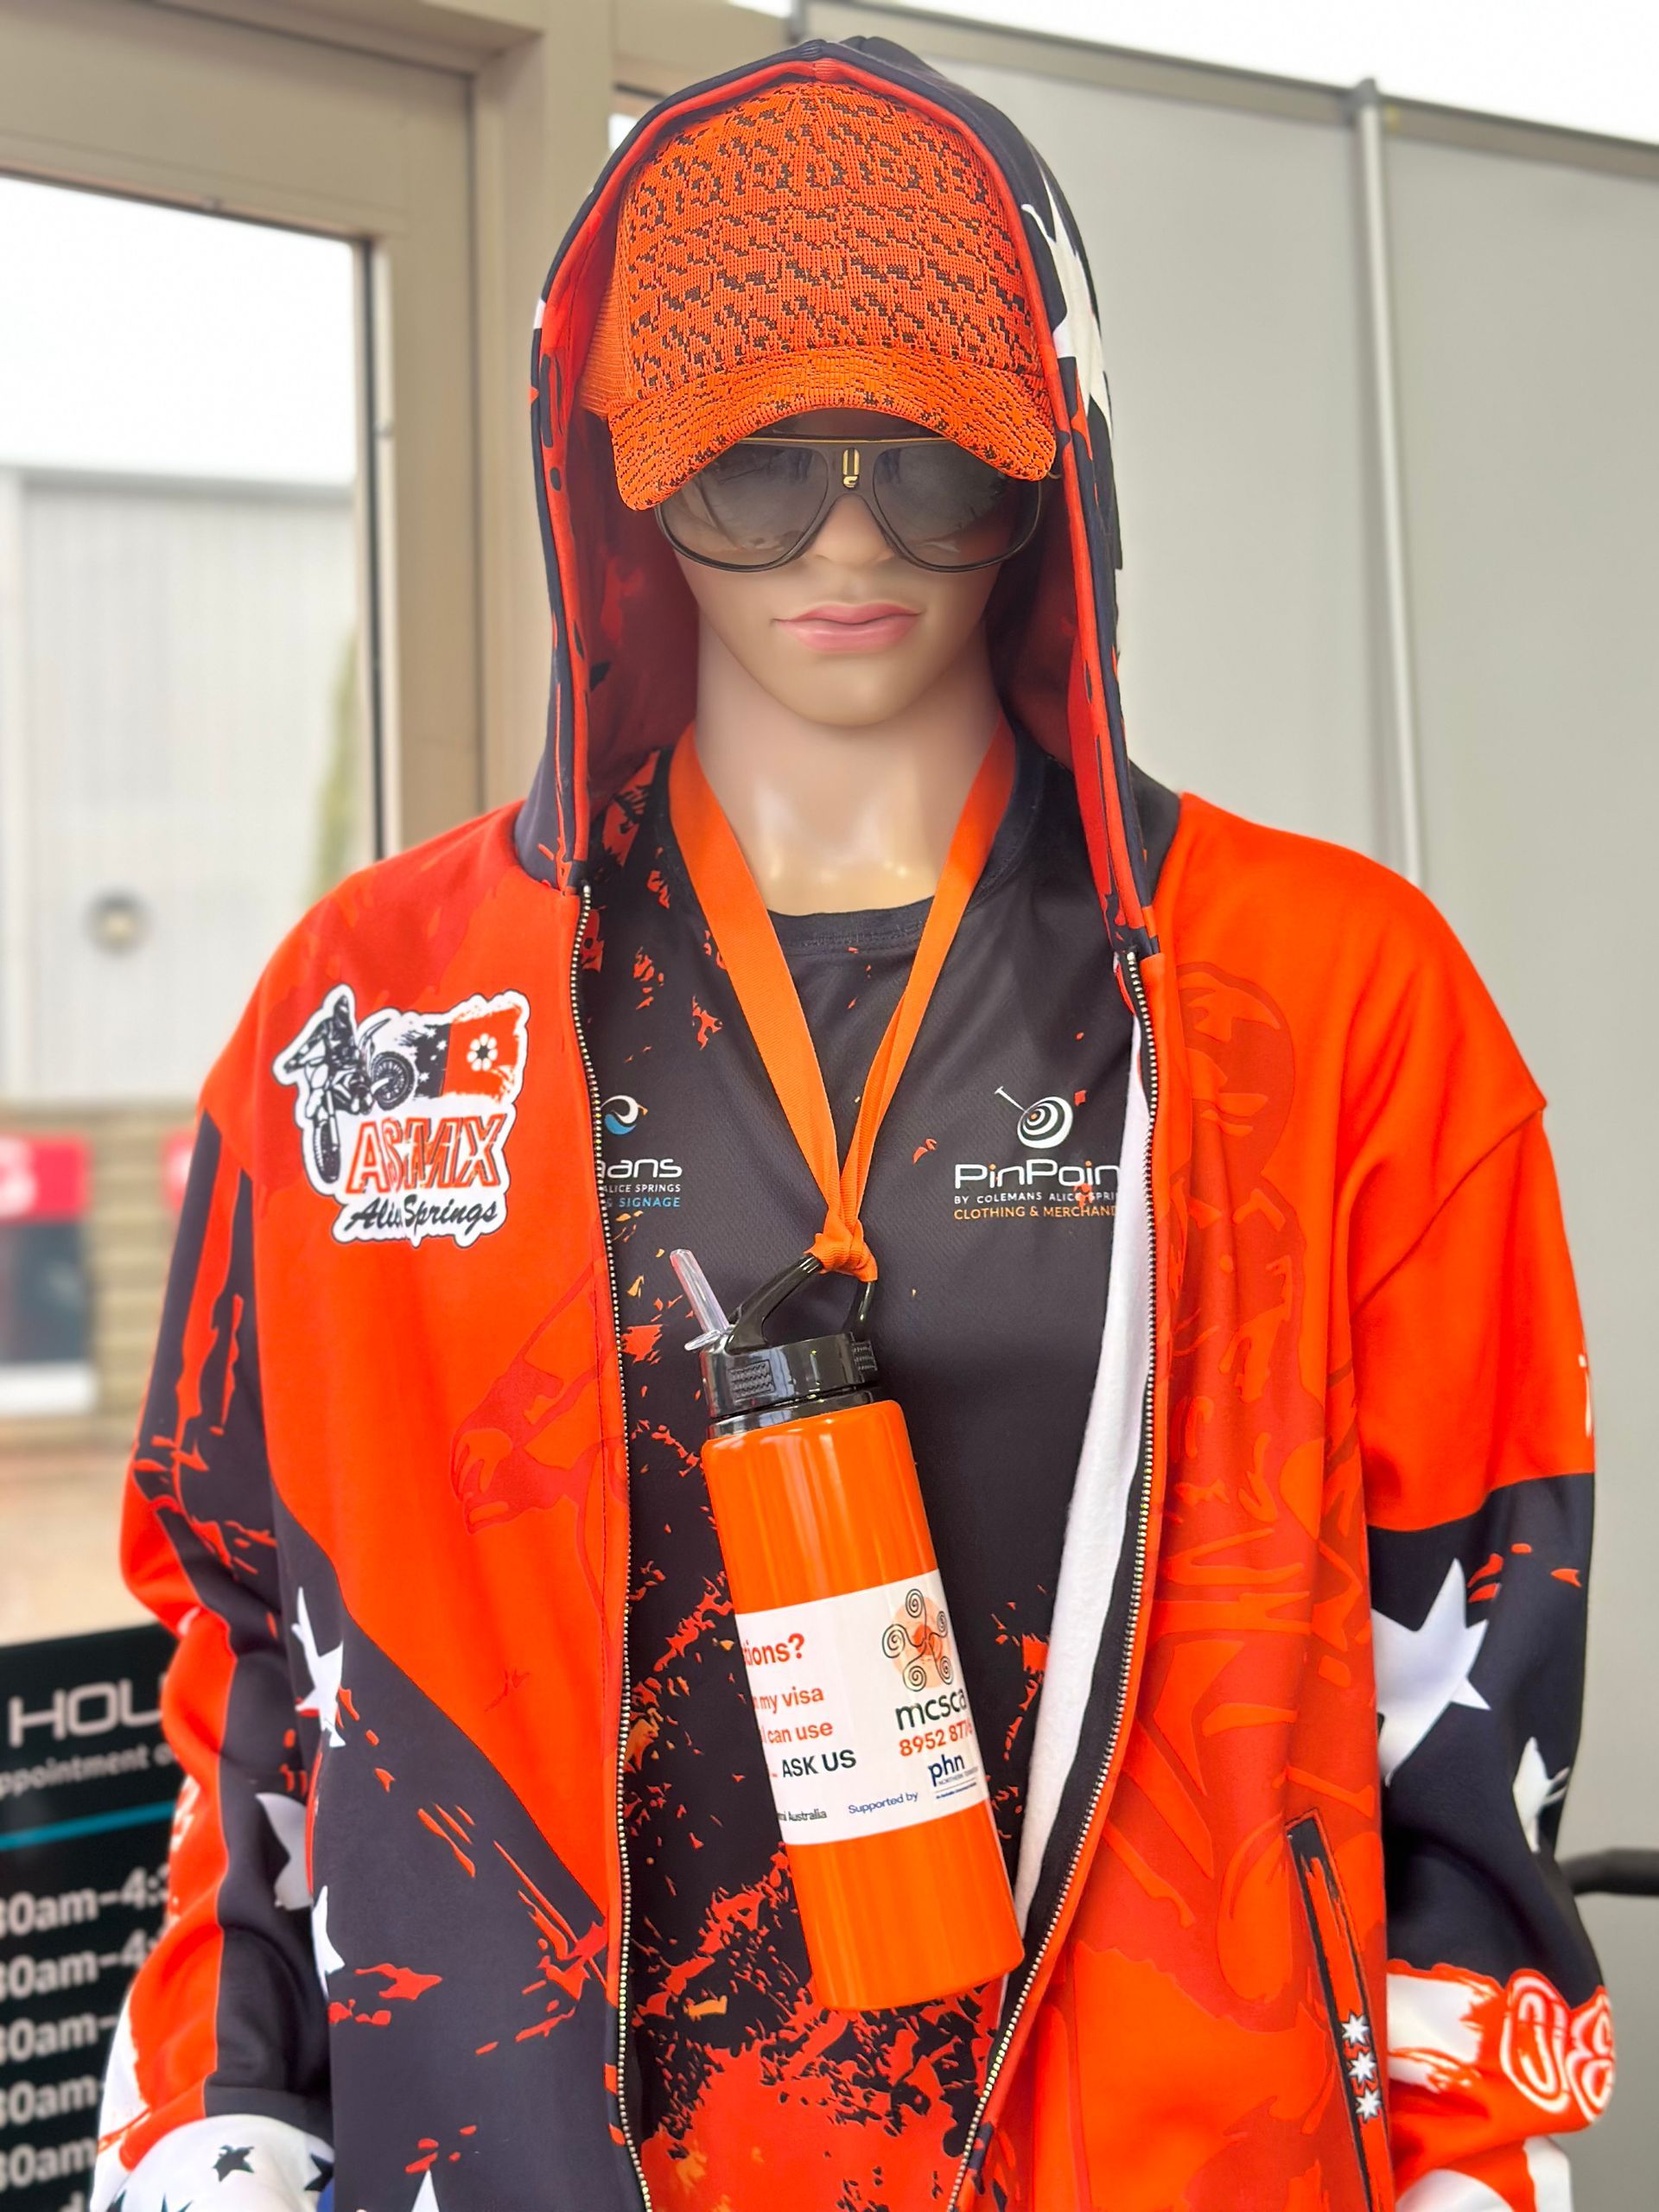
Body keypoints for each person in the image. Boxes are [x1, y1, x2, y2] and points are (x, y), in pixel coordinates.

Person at [92, 35, 1610, 2212]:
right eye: (755, 468)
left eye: (931, 469)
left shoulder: (1332, 990)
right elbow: (251, 1639)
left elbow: (1473, 1622)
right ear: (622, 475)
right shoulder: (378, 1016)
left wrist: (1480, 2149)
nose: (845, 542)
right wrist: (215, 2121)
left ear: (1052, 467)